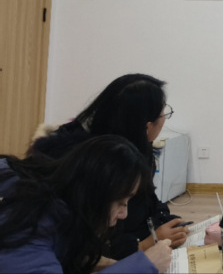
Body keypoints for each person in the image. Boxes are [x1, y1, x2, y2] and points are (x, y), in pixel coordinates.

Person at [29, 74, 189, 259]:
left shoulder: (132, 146)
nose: (164, 120)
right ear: (146, 127)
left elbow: (147, 198)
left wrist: (167, 221)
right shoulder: (92, 165)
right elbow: (86, 245)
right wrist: (146, 243)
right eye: (163, 114)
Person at [0, 135, 173, 273]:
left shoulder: (53, 205)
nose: (124, 214)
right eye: (121, 202)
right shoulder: (27, 223)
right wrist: (144, 265)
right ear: (94, 196)